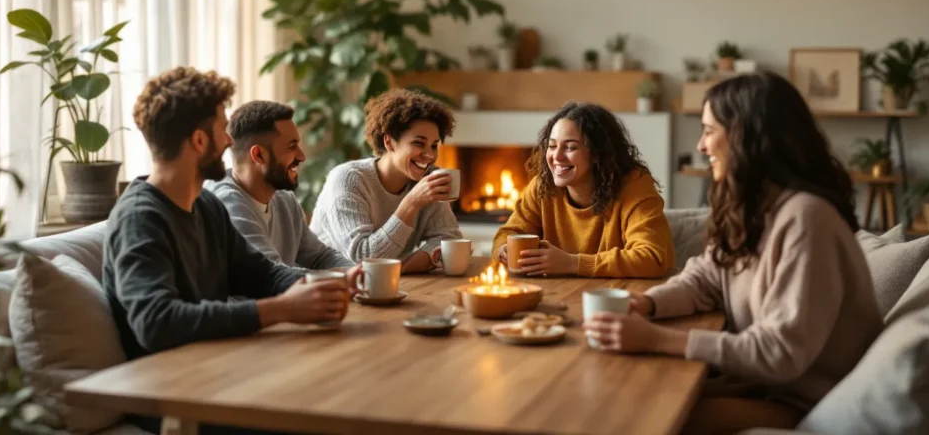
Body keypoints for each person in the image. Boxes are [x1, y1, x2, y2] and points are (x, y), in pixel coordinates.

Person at [583, 72, 883, 434]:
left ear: (745, 135)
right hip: (756, 386)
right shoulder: (756, 207)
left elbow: (779, 353)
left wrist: (656, 338)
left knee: (637, 417)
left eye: (709, 131)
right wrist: (646, 304)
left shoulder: (807, 218)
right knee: (618, 394)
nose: (700, 146)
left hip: (797, 402)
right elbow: (708, 276)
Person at [104, 67, 354, 434]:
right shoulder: (140, 219)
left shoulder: (205, 206)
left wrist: (333, 282)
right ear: (199, 141)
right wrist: (282, 309)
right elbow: (156, 322)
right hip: (173, 395)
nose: (228, 139)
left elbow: (263, 273)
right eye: (222, 128)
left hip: (219, 371)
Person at [491, 102, 675, 278]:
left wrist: (572, 264)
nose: (556, 156)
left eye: (570, 147)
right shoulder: (543, 186)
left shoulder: (635, 186)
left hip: (624, 297)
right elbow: (507, 233)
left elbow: (652, 258)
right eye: (552, 146)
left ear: (597, 153)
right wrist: (504, 249)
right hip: (562, 292)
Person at [310, 88, 462, 273]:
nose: (429, 155)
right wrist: (411, 203)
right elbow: (363, 257)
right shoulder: (348, 180)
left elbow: (450, 239)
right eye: (418, 143)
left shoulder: (428, 178)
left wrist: (406, 267)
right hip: (329, 283)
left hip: (388, 281)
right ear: (389, 142)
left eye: (434, 145)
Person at [209, 100, 358, 277]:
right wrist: (343, 278)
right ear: (259, 155)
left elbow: (319, 256)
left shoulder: (284, 198)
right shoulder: (227, 205)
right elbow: (273, 274)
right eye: (292, 146)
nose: (302, 156)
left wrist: (359, 273)